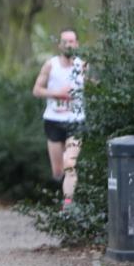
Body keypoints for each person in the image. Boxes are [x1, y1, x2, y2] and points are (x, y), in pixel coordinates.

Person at [32, 28, 86, 210]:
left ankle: (68, 205)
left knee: (70, 163)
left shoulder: (83, 66)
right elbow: (37, 90)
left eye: (72, 41)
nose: (68, 45)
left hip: (75, 121)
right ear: (59, 45)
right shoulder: (50, 65)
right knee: (58, 171)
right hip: (53, 121)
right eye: (65, 42)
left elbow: (93, 87)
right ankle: (62, 193)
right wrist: (58, 94)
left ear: (77, 44)